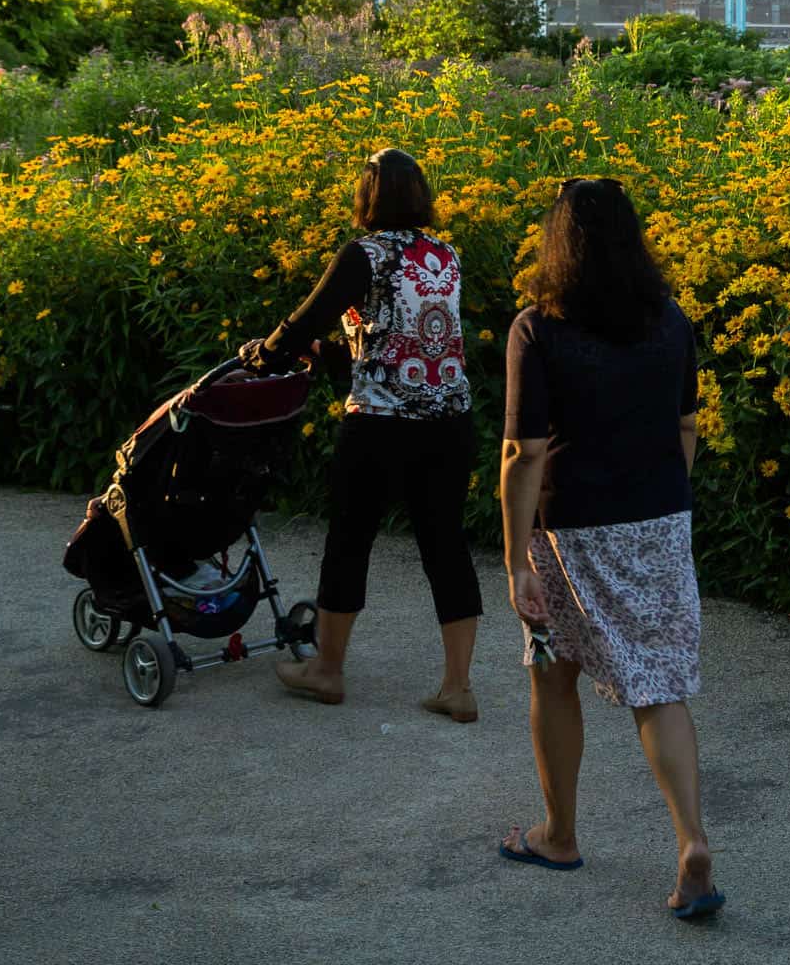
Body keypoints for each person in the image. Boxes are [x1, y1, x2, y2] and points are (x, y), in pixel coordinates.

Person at [498, 177, 723, 920]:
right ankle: (691, 840)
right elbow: (687, 429)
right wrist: (658, 505)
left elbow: (524, 452)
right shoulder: (671, 322)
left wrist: (512, 559)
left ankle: (559, 834)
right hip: (659, 517)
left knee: (552, 672)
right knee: (658, 685)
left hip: (570, 528)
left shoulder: (538, 327)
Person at [239, 147, 481, 721]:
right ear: (419, 194)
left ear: (368, 196)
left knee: (349, 542)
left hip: (380, 424)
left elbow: (307, 319)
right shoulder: (445, 255)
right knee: (444, 545)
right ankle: (458, 687)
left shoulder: (364, 254)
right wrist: (325, 353)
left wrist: (266, 353)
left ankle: (326, 671)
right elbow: (398, 338)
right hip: (449, 419)